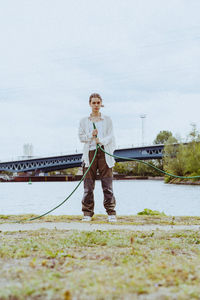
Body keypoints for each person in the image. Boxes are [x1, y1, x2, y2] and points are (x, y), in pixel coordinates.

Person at [78, 93, 117, 222]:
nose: (96, 105)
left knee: (107, 185)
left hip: (104, 153)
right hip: (90, 153)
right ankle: (87, 214)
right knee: (88, 186)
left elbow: (111, 136)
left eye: (98, 103)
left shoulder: (107, 119)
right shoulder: (84, 121)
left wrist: (101, 141)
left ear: (101, 104)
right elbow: (81, 137)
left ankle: (111, 213)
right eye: (93, 103)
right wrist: (91, 135)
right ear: (90, 104)